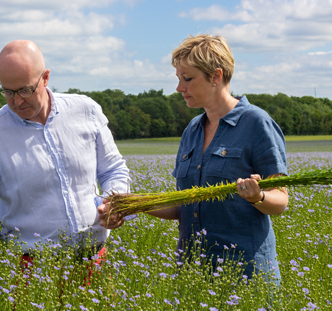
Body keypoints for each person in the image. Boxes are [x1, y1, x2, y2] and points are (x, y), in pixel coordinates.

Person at [108, 34, 288, 283]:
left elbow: (280, 201)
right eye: (179, 79)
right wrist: (136, 203)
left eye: (188, 79)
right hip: (192, 271)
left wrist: (258, 197)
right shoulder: (192, 130)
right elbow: (184, 206)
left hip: (244, 274)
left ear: (216, 76)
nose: (179, 88)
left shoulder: (256, 123)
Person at [0, 40, 129, 276]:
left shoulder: (86, 110)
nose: (17, 101)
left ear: (45, 78)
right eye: (8, 92)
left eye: (25, 90)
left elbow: (113, 170)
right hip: (31, 270)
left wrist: (114, 204)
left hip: (95, 259)